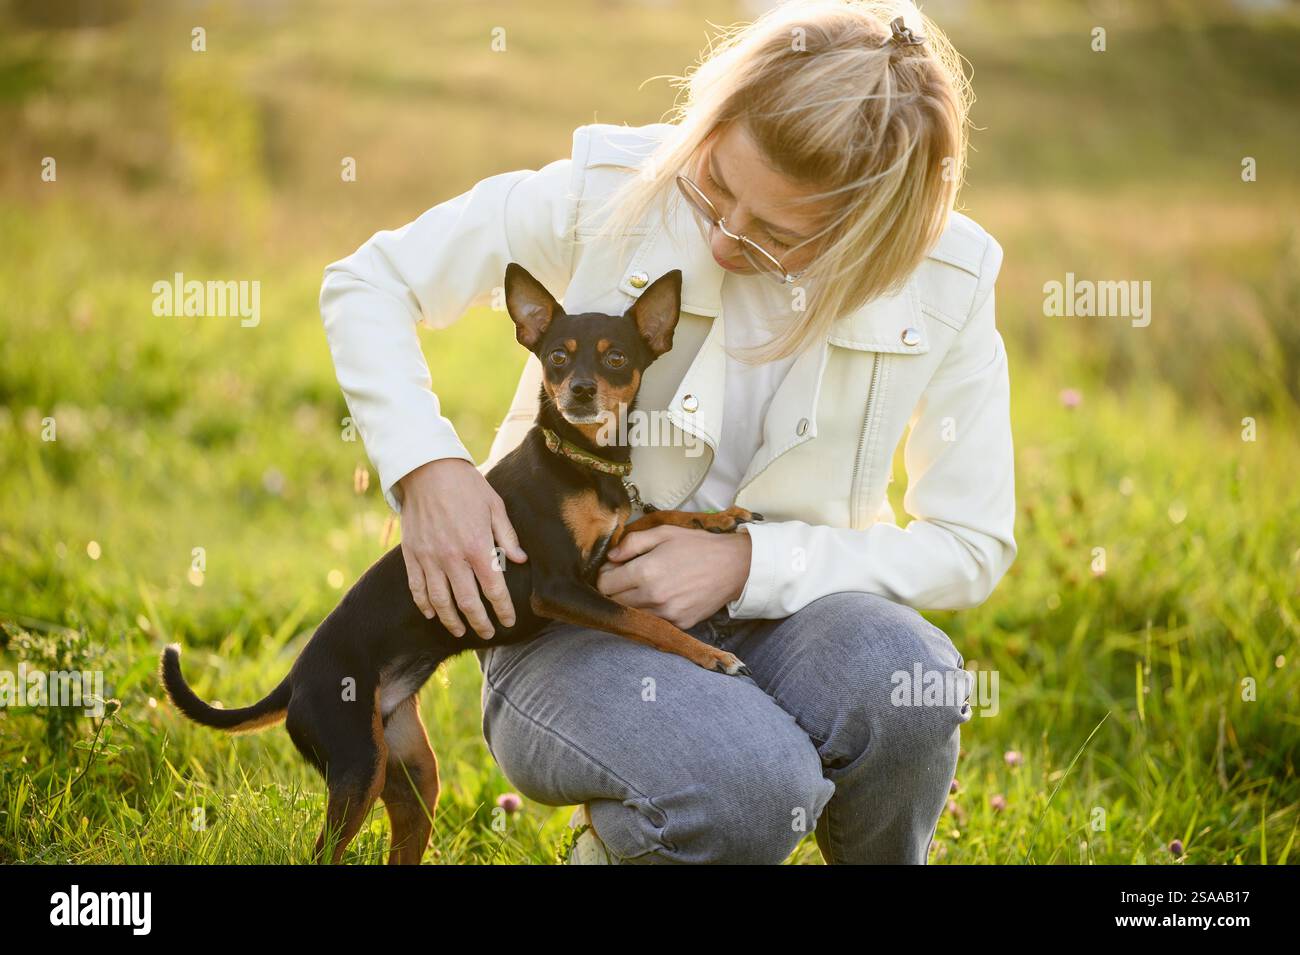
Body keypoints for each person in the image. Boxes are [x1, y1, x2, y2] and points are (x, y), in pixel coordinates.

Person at [319, 0, 1015, 864]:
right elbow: (369, 282)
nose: (724, 239)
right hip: (564, 621)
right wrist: (428, 470)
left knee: (907, 680)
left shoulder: (948, 278)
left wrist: (751, 563)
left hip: (797, 617)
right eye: (716, 185)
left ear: (871, 234)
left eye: (774, 235)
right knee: (749, 786)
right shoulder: (609, 187)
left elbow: (971, 542)